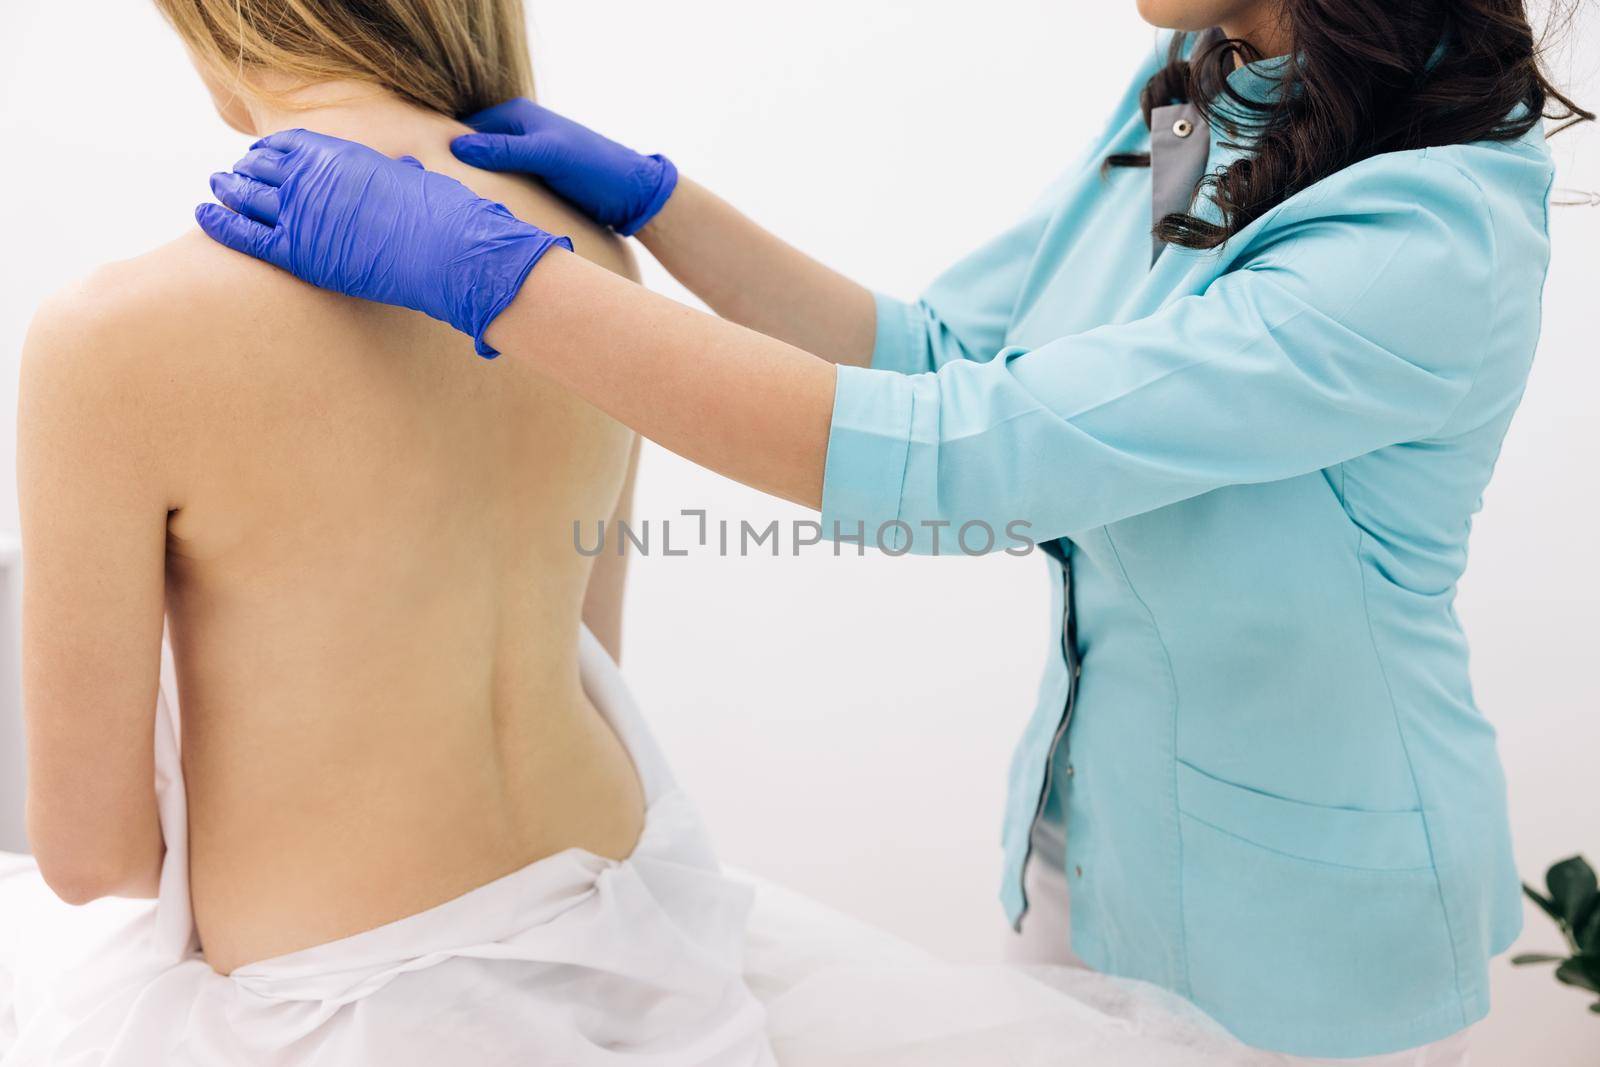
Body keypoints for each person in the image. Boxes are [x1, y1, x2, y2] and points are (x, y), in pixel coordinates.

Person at [196, 0, 1594, 1061]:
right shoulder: (1198, 96)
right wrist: (668, 213)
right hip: (1088, 848)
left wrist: (509, 284)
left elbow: (975, 457)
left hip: (1307, 936)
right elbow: (952, 355)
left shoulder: (1429, 239)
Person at [9, 0, 773, 1062]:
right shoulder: (593, 258)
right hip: (636, 931)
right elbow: (593, 649)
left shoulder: (111, 338)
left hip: (342, 1001)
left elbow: (90, 857)